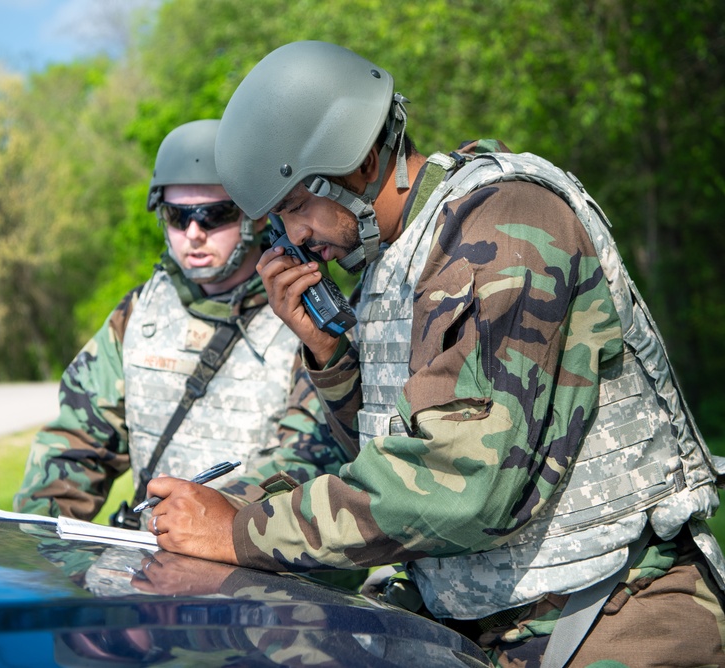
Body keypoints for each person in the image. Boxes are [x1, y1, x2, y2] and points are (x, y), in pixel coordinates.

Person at [143, 41, 725, 666]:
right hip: (486, 623)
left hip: (613, 615)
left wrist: (237, 532)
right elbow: (391, 454)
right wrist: (330, 356)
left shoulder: (505, 224)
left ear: (360, 158)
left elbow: (455, 484)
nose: (294, 240)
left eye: (293, 208)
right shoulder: (393, 262)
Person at [14, 119, 347, 533]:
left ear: (257, 216)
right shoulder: (139, 313)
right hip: (153, 570)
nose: (193, 233)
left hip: (265, 573)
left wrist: (210, 519)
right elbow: (76, 445)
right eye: (177, 215)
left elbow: (313, 459)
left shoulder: (307, 316)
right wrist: (32, 541)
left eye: (214, 215)